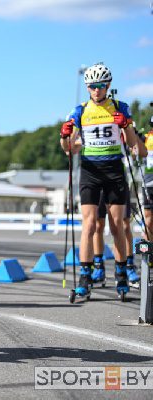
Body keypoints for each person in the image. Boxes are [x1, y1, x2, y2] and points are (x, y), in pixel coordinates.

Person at [60, 62, 139, 299]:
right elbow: (68, 150)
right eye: (93, 86)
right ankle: (86, 276)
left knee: (116, 226)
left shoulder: (120, 107)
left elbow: (133, 143)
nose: (97, 90)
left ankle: (122, 274)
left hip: (114, 171)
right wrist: (64, 136)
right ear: (87, 86)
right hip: (91, 172)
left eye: (101, 85)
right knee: (90, 224)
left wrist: (125, 125)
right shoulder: (80, 111)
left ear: (108, 85)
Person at [92, 131, 146, 288]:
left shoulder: (122, 119)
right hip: (96, 178)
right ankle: (99, 269)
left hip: (119, 180)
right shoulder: (97, 121)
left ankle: (128, 267)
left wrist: (132, 135)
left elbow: (139, 152)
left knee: (124, 226)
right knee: (97, 225)